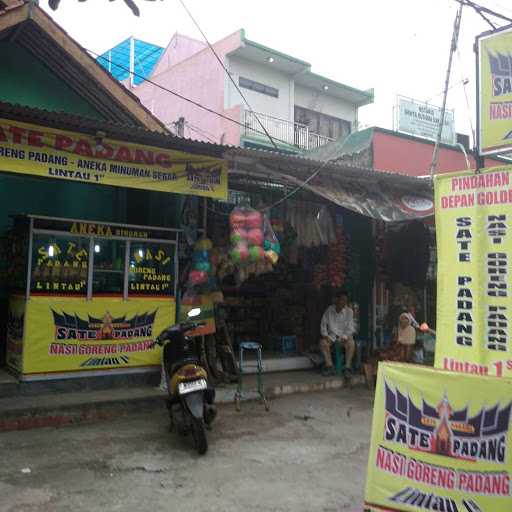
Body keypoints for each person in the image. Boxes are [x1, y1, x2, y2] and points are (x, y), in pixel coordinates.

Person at [319, 292, 356, 378]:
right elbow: (323, 324)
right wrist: (325, 335)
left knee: (351, 343)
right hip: (332, 337)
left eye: (345, 301)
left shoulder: (349, 312)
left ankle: (347, 368)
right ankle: (329, 366)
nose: (344, 303)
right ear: (337, 300)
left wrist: (345, 337)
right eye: (342, 300)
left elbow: (350, 328)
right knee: (322, 343)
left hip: (344, 337)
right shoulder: (329, 310)